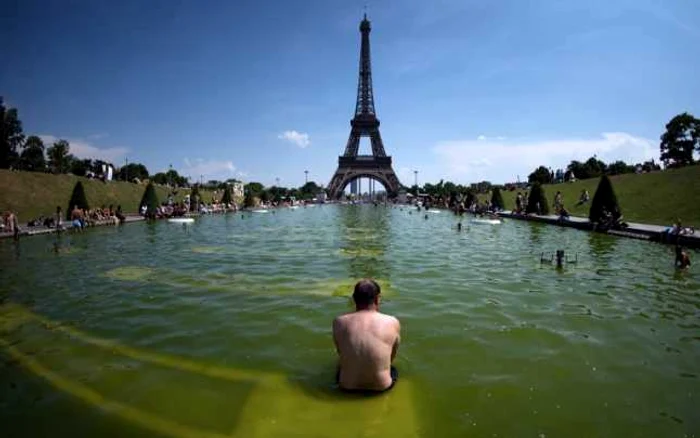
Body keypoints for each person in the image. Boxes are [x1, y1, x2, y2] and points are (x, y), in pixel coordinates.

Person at [333, 279, 401, 393]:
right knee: (392, 369)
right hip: (381, 387)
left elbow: (341, 353)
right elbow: (391, 357)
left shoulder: (339, 322)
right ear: (377, 299)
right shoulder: (392, 322)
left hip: (347, 387)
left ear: (354, 299)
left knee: (339, 366)